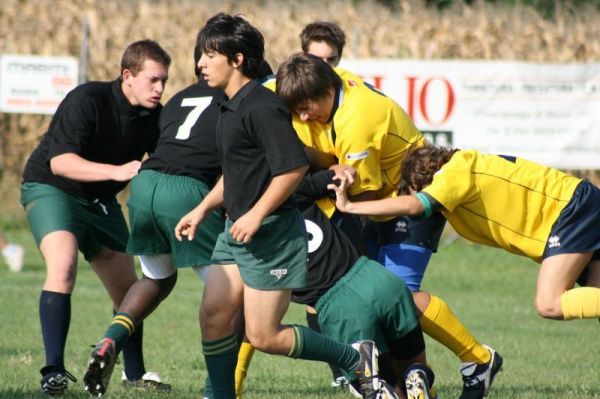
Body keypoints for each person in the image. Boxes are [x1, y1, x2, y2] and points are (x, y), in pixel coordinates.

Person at [174, 13, 391, 399]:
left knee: (263, 335)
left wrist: (257, 214)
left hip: (272, 233)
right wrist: (203, 208)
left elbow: (292, 169)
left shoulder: (262, 105)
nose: (200, 64)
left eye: (209, 55)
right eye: (200, 56)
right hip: (235, 230)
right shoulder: (227, 104)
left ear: (237, 59)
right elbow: (238, 172)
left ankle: (356, 359)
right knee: (213, 316)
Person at [275, 53, 502, 399]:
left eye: (306, 108)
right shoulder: (334, 85)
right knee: (377, 299)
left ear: (325, 88)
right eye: (298, 110)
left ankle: (479, 359)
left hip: (411, 202)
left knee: (398, 295)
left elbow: (354, 192)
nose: (304, 117)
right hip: (378, 206)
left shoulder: (357, 120)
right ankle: (411, 384)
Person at [20, 39, 171, 396]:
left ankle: (133, 374)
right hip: (52, 188)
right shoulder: (88, 100)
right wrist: (117, 171)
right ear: (127, 76)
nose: (160, 89)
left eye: (164, 80)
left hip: (101, 202)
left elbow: (167, 162)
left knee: (131, 290)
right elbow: (60, 162)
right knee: (64, 264)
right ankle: (53, 371)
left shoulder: (155, 117)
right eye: (153, 80)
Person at [330, 143, 600, 337]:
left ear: (425, 180)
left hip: (571, 210)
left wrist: (350, 207)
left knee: (549, 302)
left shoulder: (454, 173)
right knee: (593, 299)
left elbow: (415, 206)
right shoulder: (462, 182)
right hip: (579, 205)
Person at [81, 35, 226, 397]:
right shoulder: (238, 98)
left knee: (157, 279)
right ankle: (218, 386)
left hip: (145, 186)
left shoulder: (178, 99)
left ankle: (109, 341)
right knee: (230, 292)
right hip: (186, 191)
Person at [293, 167, 438, 399]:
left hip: (341, 308)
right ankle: (417, 374)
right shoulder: (297, 188)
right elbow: (342, 173)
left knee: (383, 387)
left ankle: (388, 387)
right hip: (378, 278)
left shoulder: (249, 229)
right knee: (412, 366)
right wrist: (342, 172)